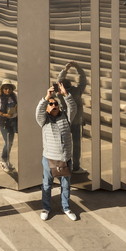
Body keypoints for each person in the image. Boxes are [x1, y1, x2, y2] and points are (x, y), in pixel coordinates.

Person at [36, 82, 78, 221]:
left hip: (65, 158)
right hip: (49, 158)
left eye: (56, 104)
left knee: (65, 185)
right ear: (47, 108)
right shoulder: (44, 120)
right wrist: (47, 97)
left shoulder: (65, 117)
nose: (54, 106)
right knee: (47, 185)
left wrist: (65, 94)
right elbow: (38, 112)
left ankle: (66, 207)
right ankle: (46, 208)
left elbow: (73, 107)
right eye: (51, 104)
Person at [55, 61, 87, 172]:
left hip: (64, 120)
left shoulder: (59, 93)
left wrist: (65, 69)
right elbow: (83, 79)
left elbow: (58, 80)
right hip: (76, 121)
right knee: (76, 145)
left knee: (63, 144)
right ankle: (76, 166)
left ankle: (63, 165)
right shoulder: (77, 91)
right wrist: (77, 67)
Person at [0, 82, 18, 172]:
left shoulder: (14, 97)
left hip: (13, 121)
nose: (7, 90)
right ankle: (3, 160)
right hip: (4, 122)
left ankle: (7, 160)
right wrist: (4, 114)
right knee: (8, 141)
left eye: (9, 88)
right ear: (2, 89)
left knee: (10, 142)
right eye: (5, 88)